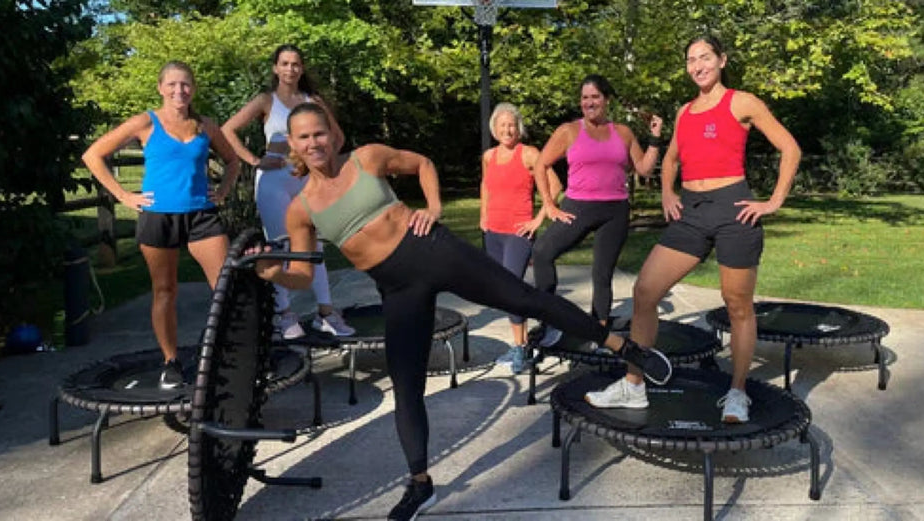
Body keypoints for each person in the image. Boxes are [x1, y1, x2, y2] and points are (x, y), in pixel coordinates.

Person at [250, 102, 670, 521]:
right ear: (294, 145)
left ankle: (624, 347)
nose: (313, 143)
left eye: (318, 133)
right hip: (397, 288)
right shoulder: (301, 208)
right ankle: (419, 484)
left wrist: (432, 208)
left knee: (524, 299)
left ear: (331, 133)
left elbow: (423, 164)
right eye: (303, 137)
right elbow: (303, 275)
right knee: (407, 386)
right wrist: (273, 273)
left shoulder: (367, 158)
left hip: (434, 251)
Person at [585, 35, 801, 423]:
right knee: (645, 290)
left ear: (721, 60)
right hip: (692, 214)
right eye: (690, 59)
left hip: (734, 208)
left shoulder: (742, 102)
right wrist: (668, 192)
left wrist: (773, 201)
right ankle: (634, 385)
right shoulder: (684, 112)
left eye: (704, 57)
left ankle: (737, 392)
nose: (697, 65)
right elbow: (669, 160)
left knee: (737, 304)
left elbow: (790, 148)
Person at [82, 61, 240, 389]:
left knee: (226, 286)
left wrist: (223, 189)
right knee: (164, 290)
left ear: (193, 89)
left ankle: (231, 353)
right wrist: (123, 195)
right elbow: (93, 155)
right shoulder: (145, 122)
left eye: (185, 84)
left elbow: (233, 160)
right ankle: (171, 361)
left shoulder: (205, 126)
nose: (179, 90)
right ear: (160, 88)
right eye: (172, 84)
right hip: (158, 217)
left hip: (202, 216)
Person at [221, 44, 354, 339]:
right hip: (274, 179)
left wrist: (320, 163)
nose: (290, 69)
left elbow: (338, 137)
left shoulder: (312, 100)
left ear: (302, 68)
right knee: (281, 245)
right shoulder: (266, 100)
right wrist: (255, 159)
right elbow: (227, 130)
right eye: (284, 63)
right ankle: (284, 313)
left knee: (314, 243)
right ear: (275, 68)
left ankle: (326, 312)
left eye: (295, 64)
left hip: (306, 178)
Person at [532, 74, 663, 345]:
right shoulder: (569, 131)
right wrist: (549, 204)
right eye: (584, 98)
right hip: (578, 206)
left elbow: (644, 168)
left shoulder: (623, 132)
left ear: (606, 100)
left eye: (595, 97)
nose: (589, 103)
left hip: (614, 211)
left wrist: (654, 138)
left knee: (602, 275)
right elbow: (540, 165)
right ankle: (550, 320)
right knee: (543, 251)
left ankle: (600, 335)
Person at [480, 102, 561, 374]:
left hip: (518, 232)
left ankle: (522, 348)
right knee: (501, 291)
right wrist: (483, 216)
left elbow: (555, 184)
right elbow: (485, 185)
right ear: (494, 128)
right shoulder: (489, 156)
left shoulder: (528, 154)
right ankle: (521, 343)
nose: (507, 129)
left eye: (511, 125)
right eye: (502, 125)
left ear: (518, 128)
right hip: (493, 231)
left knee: (511, 288)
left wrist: (539, 218)